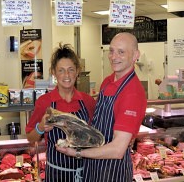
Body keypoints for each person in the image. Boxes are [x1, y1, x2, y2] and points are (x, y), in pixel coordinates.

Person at [56, 32, 147, 182]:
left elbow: (118, 150)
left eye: (121, 52)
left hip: (113, 172)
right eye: (111, 51)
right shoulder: (107, 81)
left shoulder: (133, 93)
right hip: (93, 168)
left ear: (135, 55)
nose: (113, 56)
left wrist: (77, 153)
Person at [25, 43, 96, 182]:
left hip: (86, 172)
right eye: (61, 70)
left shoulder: (88, 101)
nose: (67, 75)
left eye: (71, 69)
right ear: (54, 72)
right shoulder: (44, 102)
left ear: (77, 71)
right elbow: (30, 138)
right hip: (56, 174)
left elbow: (96, 136)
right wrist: (40, 128)